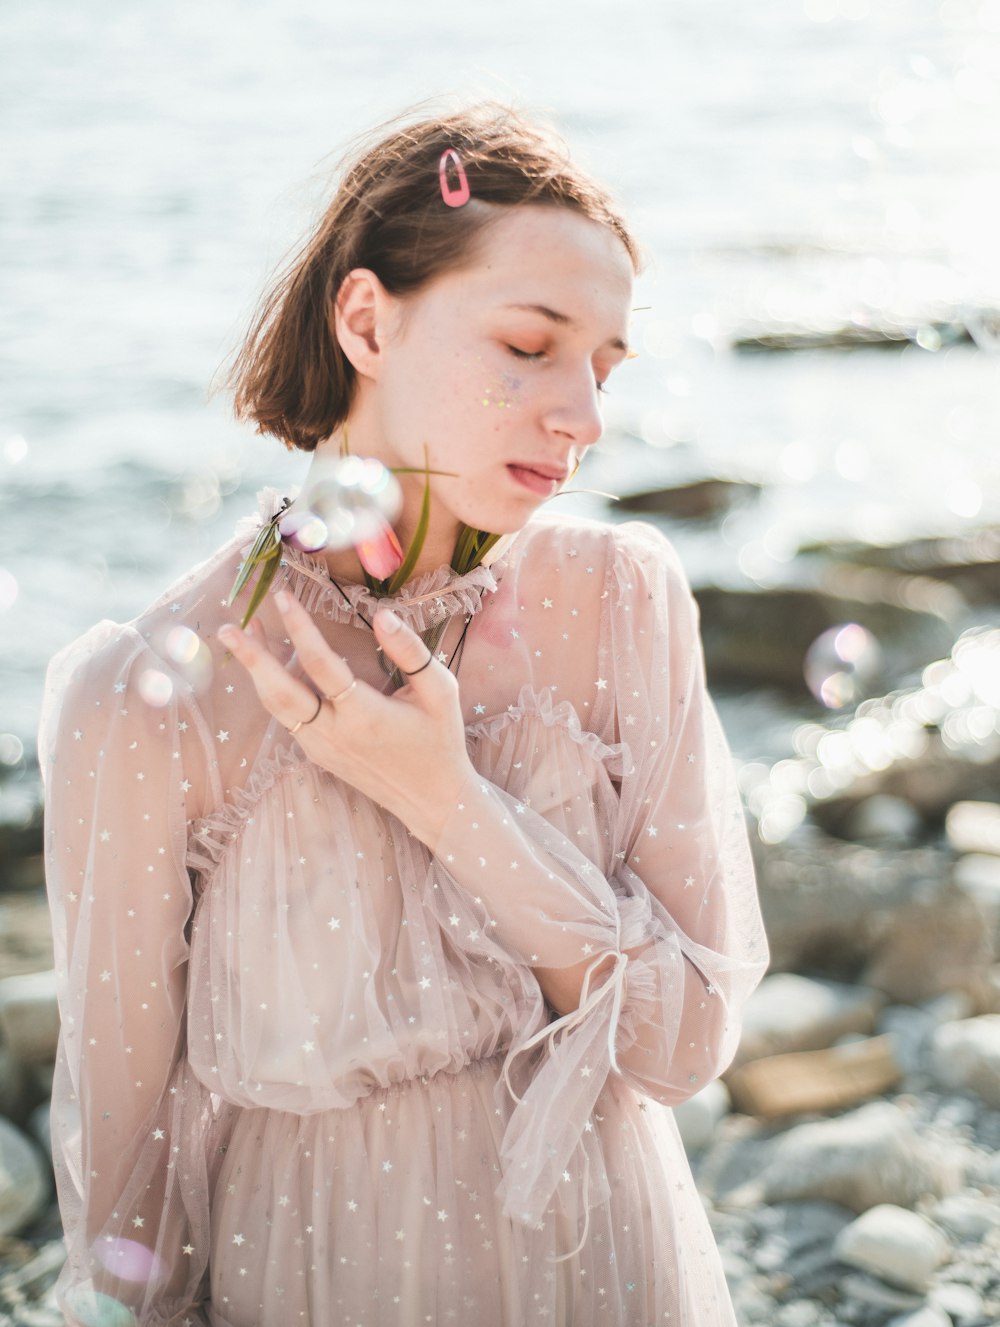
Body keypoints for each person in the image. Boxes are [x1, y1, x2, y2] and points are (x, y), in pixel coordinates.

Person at [40, 102, 769, 1327]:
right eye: (529, 346)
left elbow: (683, 1045)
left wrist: (449, 800)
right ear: (367, 320)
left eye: (602, 364)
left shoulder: (623, 601)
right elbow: (126, 1177)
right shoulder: (146, 697)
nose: (583, 416)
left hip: (613, 1279)